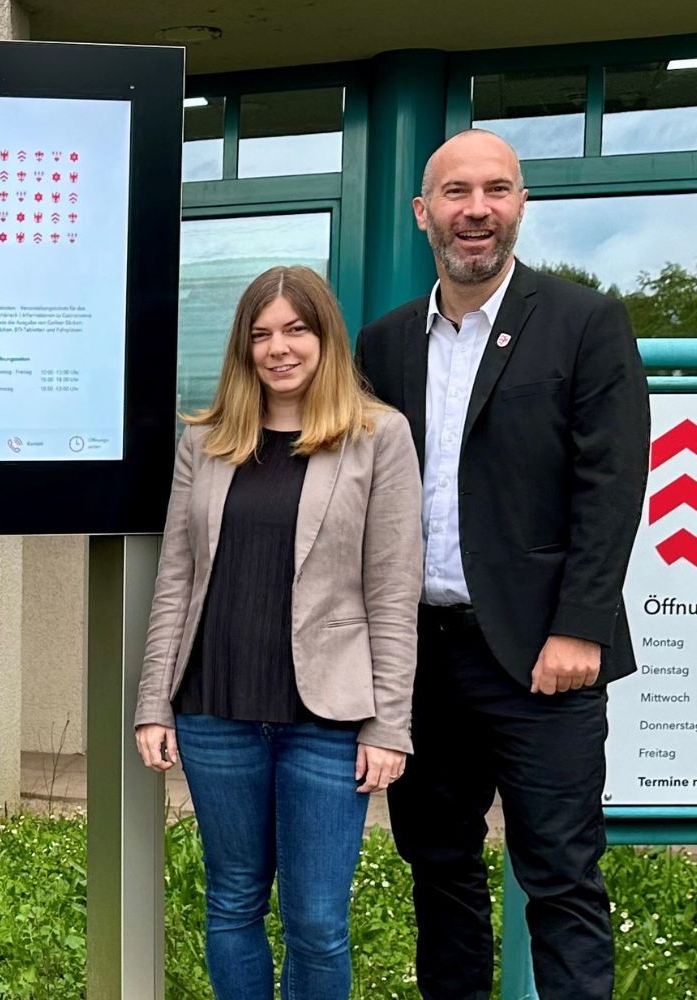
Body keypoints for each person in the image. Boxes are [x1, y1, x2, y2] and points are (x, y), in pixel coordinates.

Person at [357, 129, 649, 1000]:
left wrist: (577, 628)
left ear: (520, 204)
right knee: (439, 872)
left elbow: (611, 483)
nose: (474, 210)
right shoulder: (385, 344)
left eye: (494, 191)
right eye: (455, 193)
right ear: (423, 213)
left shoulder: (584, 323)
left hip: (543, 661)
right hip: (422, 661)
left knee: (561, 879)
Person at [134, 265, 422, 999]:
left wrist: (389, 724)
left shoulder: (378, 437)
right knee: (231, 900)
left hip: (327, 720)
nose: (279, 348)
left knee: (317, 920)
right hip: (214, 709)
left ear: (325, 335)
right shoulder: (204, 442)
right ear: (243, 348)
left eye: (296, 329)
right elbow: (175, 578)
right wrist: (153, 704)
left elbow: (393, 592)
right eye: (261, 334)